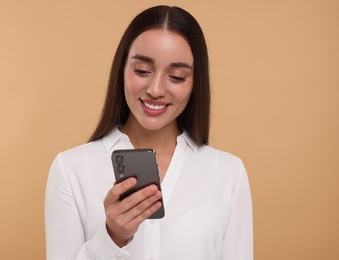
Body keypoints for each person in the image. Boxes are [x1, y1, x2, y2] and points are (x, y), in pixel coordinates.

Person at [45, 5, 253, 260]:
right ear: (121, 70)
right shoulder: (71, 169)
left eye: (176, 76)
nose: (155, 89)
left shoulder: (229, 174)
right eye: (142, 71)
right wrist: (112, 237)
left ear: (195, 83)